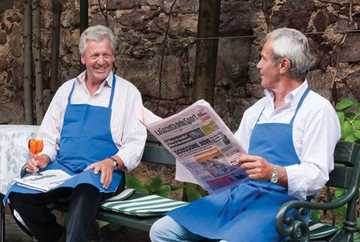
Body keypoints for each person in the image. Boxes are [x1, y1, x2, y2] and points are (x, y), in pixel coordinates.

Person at [149, 27, 341, 242]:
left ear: (283, 65)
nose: (258, 65)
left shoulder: (317, 110)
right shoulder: (258, 109)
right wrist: (206, 159)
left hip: (283, 208)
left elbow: (317, 174)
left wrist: (273, 172)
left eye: (263, 59)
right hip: (242, 197)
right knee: (162, 230)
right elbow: (235, 153)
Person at [5, 25, 147, 242]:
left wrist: (113, 161)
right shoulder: (67, 90)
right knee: (19, 193)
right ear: (83, 58)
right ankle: (56, 237)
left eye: (106, 55)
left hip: (101, 174)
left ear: (113, 57)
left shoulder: (128, 93)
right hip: (63, 170)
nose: (101, 61)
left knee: (84, 192)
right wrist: (43, 157)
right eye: (95, 55)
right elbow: (49, 135)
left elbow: (135, 142)